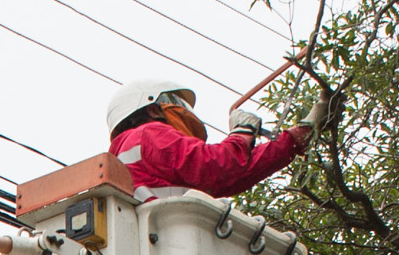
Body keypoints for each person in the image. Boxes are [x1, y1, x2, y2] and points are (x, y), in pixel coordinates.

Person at [103, 74, 319, 199]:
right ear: (152, 110)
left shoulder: (131, 159)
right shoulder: (146, 134)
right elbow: (214, 166)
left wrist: (298, 135)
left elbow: (234, 174)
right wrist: (242, 132)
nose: (184, 112)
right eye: (175, 103)